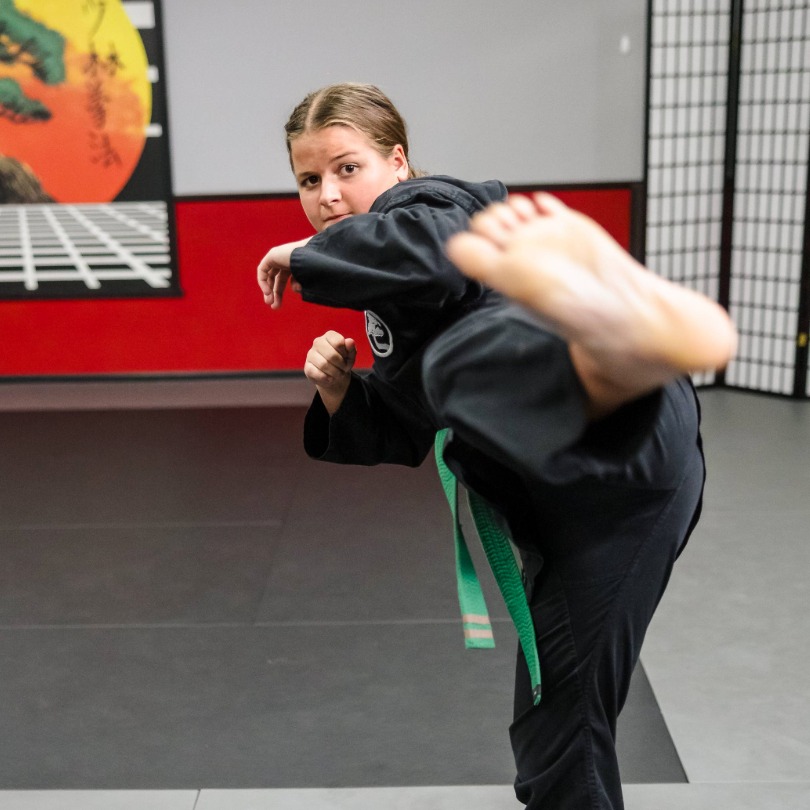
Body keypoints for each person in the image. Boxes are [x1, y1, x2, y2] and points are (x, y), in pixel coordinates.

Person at [257, 82, 737, 810]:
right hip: (564, 493)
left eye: (346, 168)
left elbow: (431, 254)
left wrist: (306, 255)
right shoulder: (390, 286)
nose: (327, 195)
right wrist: (339, 392)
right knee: (556, 720)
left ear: (397, 162)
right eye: (308, 180)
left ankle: (633, 335)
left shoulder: (435, 208)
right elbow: (408, 418)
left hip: (622, 483)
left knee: (566, 726)